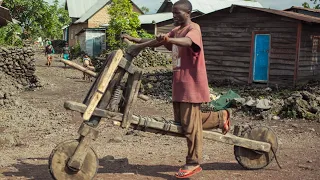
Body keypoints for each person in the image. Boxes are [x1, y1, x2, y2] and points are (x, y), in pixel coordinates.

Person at [122, 0, 230, 178]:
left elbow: (188, 42)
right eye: (173, 12)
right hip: (179, 83)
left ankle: (193, 162)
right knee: (183, 122)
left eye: (177, 13)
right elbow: (155, 42)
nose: (174, 15)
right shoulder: (176, 30)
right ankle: (220, 117)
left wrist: (169, 39)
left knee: (190, 126)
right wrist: (136, 42)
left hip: (191, 83)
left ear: (188, 13)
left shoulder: (193, 29)